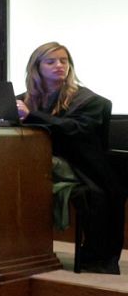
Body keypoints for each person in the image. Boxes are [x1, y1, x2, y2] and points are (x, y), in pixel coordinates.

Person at [16, 43, 124, 274]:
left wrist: (31, 115)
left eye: (64, 61)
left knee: (98, 196)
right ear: (37, 68)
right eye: (51, 61)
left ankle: (98, 258)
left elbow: (73, 129)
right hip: (36, 164)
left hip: (86, 166)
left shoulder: (89, 100)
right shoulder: (23, 99)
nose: (59, 66)